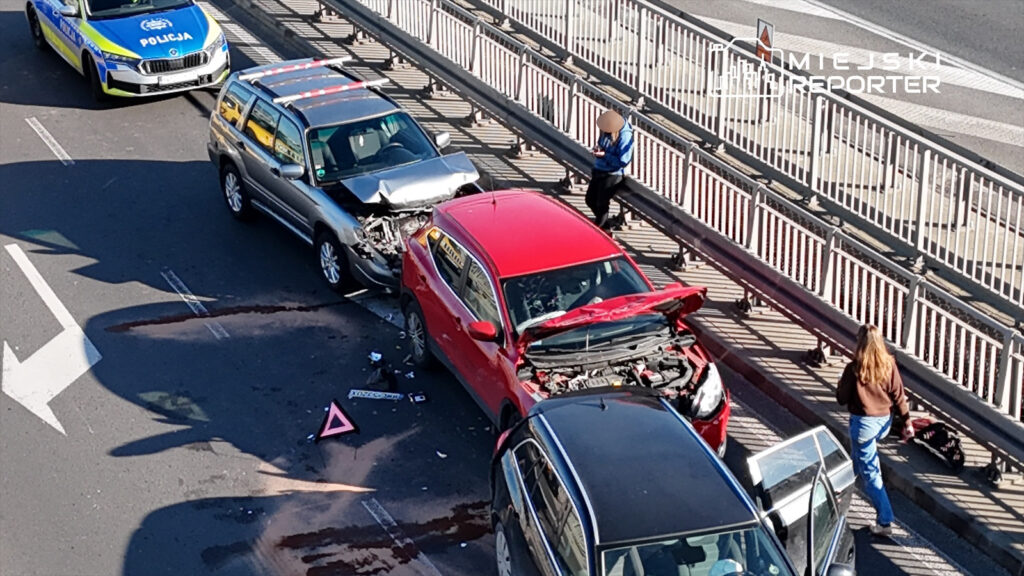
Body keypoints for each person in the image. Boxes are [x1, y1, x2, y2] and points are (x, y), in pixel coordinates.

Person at [836, 324, 915, 537]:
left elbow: (841, 399)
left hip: (863, 426)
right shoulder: (889, 365)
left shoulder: (854, 369)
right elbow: (899, 395)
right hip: (884, 423)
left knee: (871, 473)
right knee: (856, 461)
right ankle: (836, 494)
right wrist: (907, 423)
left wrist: (841, 383)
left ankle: (885, 521)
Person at [586, 109, 634, 230]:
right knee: (590, 200)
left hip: (612, 174)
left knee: (601, 203)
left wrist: (605, 155)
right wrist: (598, 150)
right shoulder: (607, 130)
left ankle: (601, 228)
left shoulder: (625, 136)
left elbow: (623, 161)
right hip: (599, 169)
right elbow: (602, 143)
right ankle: (605, 225)